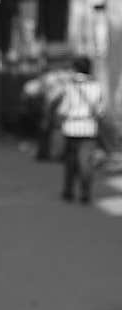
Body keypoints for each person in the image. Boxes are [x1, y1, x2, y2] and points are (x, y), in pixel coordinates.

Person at [54, 55, 106, 203]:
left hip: (71, 128)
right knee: (86, 162)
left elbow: (63, 109)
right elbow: (100, 110)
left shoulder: (69, 86)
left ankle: (68, 191)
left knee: (71, 161)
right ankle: (85, 192)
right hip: (89, 128)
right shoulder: (96, 86)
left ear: (75, 68)